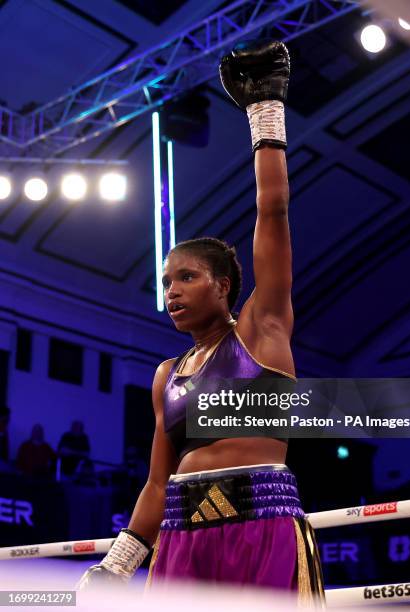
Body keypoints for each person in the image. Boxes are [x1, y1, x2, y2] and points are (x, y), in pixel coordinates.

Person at [79, 40, 324, 603]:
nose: (172, 291)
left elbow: (274, 210)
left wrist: (265, 111)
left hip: (260, 523)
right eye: (166, 282)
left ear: (224, 285)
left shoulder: (263, 330)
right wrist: (115, 567)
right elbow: (158, 482)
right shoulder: (168, 374)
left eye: (185, 277)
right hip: (181, 536)